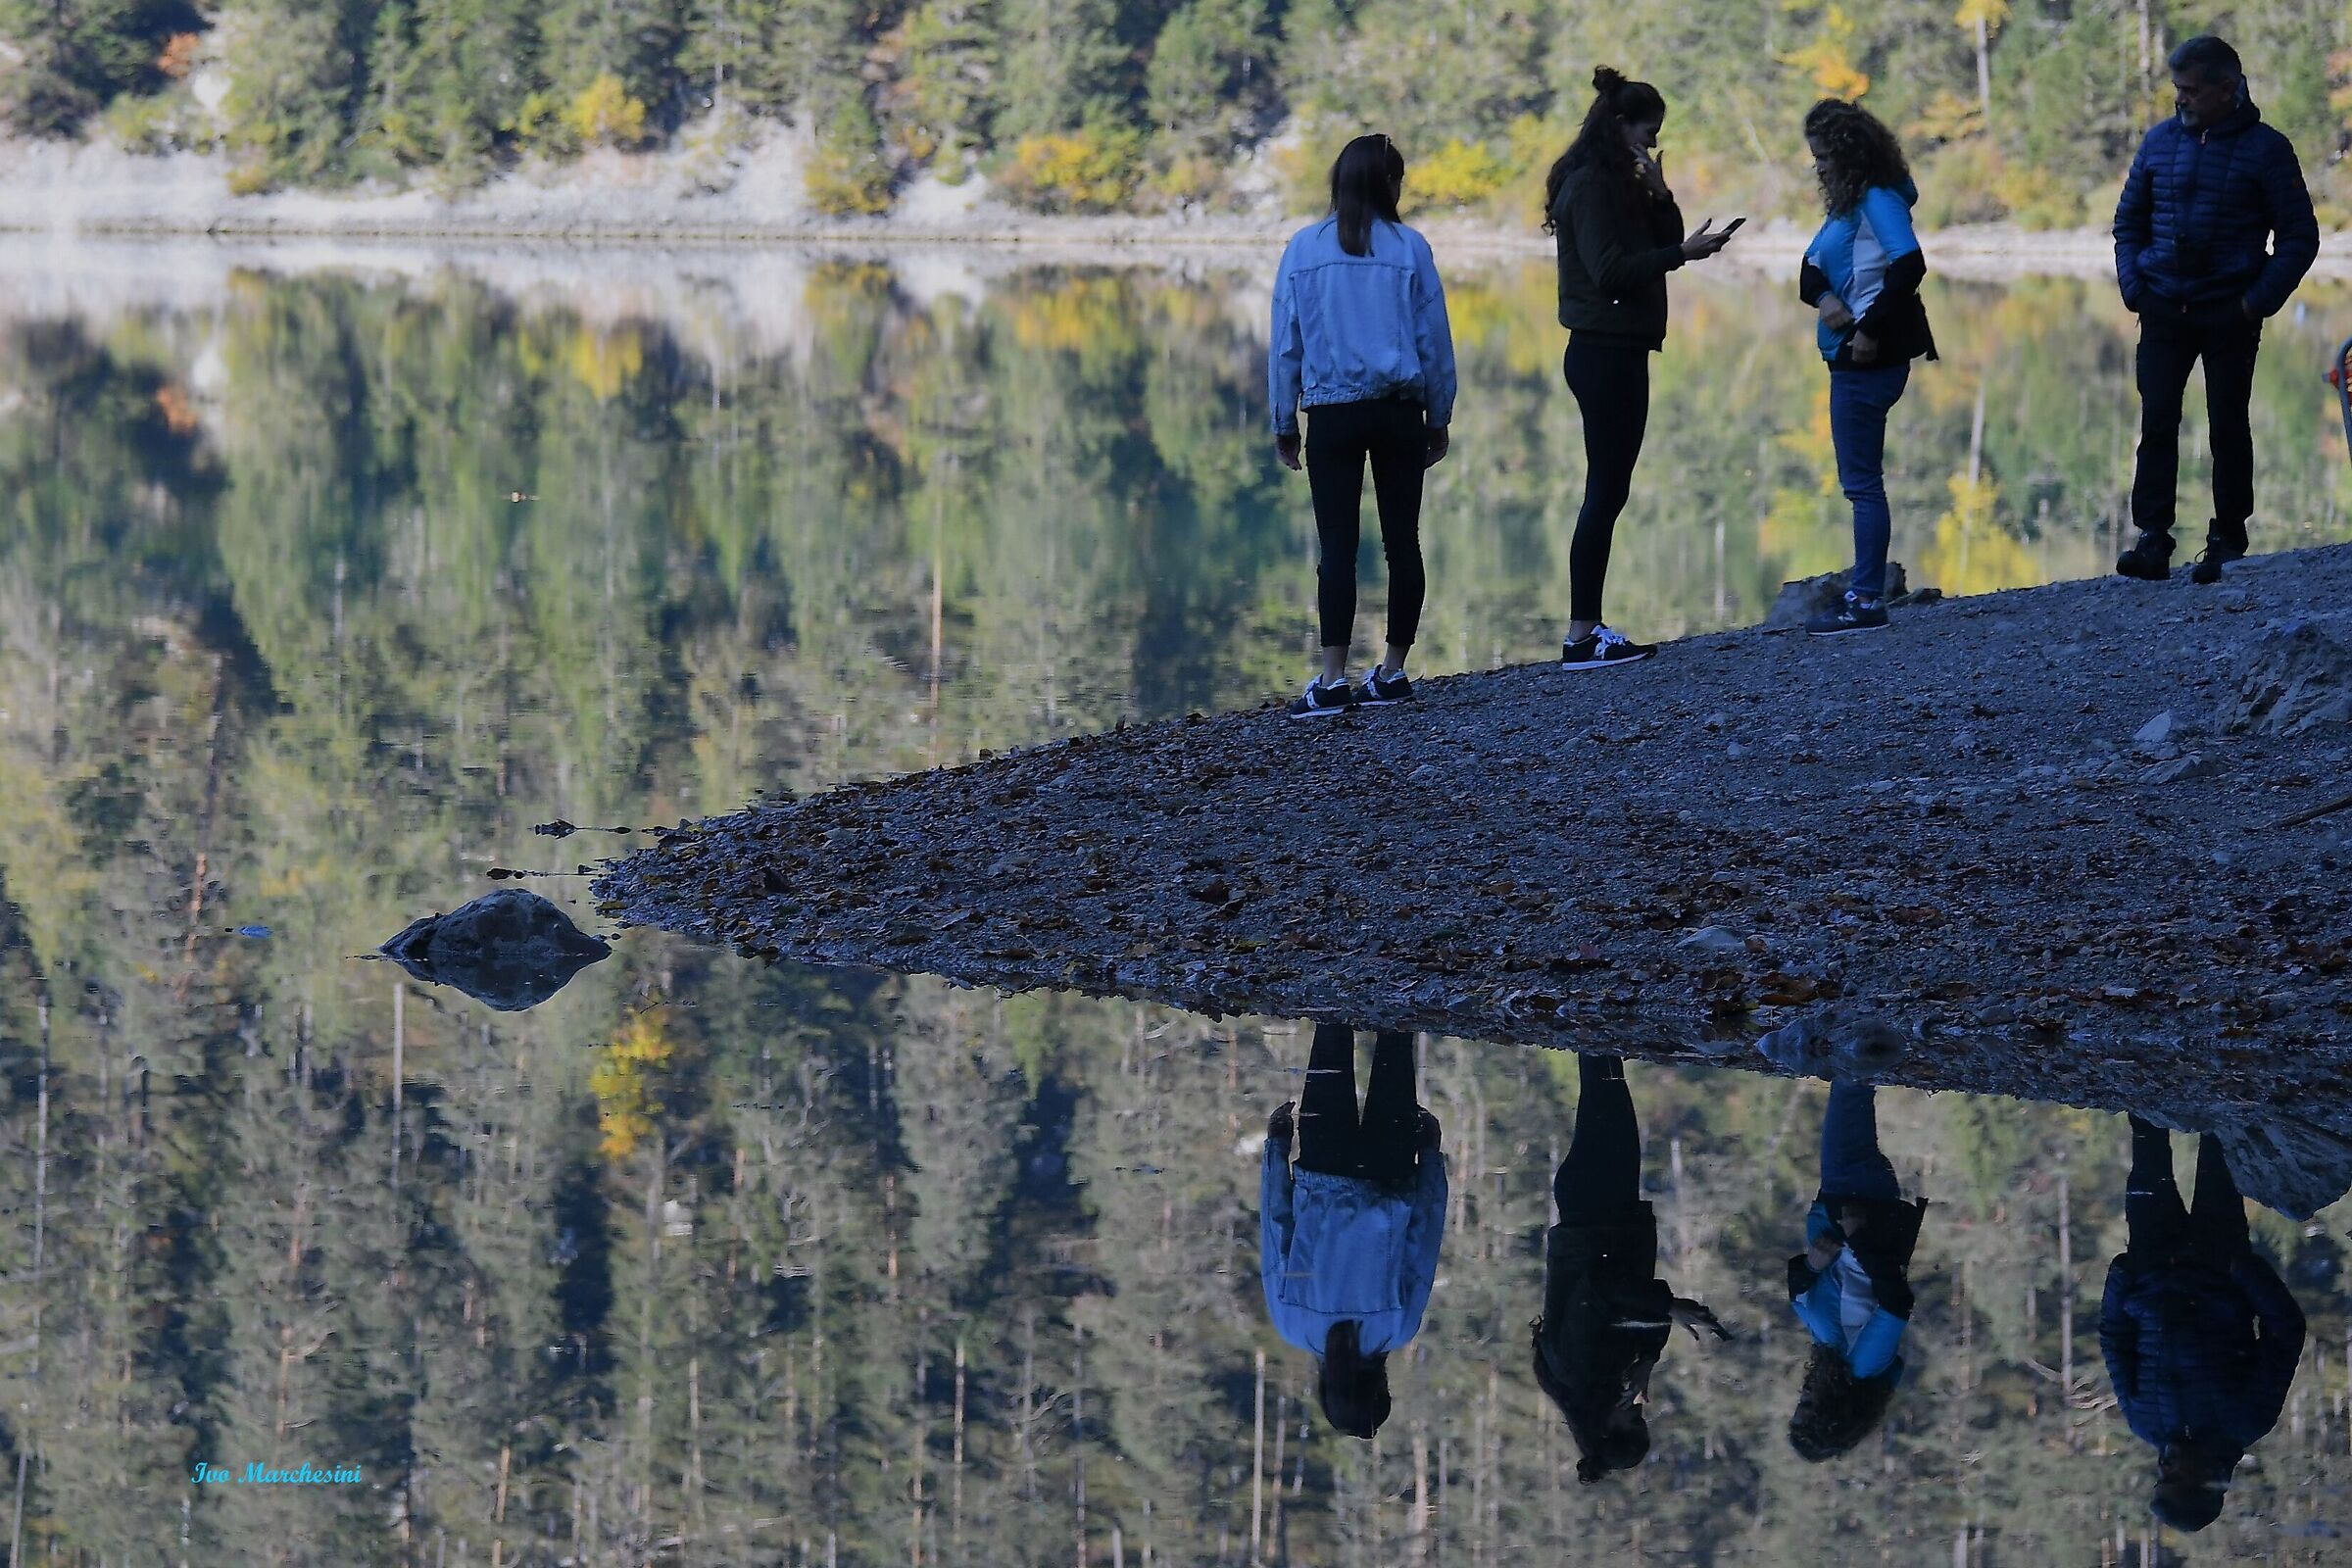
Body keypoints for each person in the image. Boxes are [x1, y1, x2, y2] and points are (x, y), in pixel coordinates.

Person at [1545, 68, 1738, 670]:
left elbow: (1663, 239)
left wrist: (1660, 192)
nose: (1651, 145)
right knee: (1604, 490)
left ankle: (1586, 630)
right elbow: (1610, 272)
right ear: (1619, 125)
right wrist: (1681, 255)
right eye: (1647, 134)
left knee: (1612, 488)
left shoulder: (1620, 183)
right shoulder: (1589, 187)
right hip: (1601, 351)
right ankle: (1582, 635)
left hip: (1623, 349)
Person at [2113, 35, 2319, 585]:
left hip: (2231, 312)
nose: (2180, 98)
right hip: (2162, 305)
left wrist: (2254, 303)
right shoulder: (2158, 142)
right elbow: (2127, 224)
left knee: (2228, 423)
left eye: (2190, 90)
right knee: (2157, 420)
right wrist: (2134, 289)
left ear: (2227, 89)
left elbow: (2300, 237)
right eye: (2176, 88)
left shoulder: (2268, 149)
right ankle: (2152, 539)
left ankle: (2228, 538)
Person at [1268, 134, 1457, 717]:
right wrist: (1439, 416)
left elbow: (1285, 344)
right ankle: (1392, 672)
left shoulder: (1303, 248)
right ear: (1388, 185)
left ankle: (1331, 681)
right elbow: (1434, 341)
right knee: (1403, 543)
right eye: (1399, 180)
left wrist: (1283, 420)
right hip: (1398, 412)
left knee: (1338, 548)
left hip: (1332, 415)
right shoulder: (1410, 247)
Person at [2101, 1116, 2305, 1533]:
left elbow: (2115, 1341)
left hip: (2150, 1263)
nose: (2166, 1467)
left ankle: (2145, 1072)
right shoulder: (2248, 1420)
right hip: (2217, 1256)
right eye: (2177, 1477)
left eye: (2162, 1477)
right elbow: (2285, 1332)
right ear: (2210, 1483)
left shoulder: (2144, 1423)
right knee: (2222, 1133)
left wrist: (2122, 1278)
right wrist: (2241, 1269)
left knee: (2147, 1138)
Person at [1531, 1054, 1729, 1483]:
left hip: (1593, 1210)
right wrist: (1649, 1358)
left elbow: (1600, 1288)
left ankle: (1589, 1017)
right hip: (1608, 1214)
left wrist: (1669, 1308)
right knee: (1607, 1083)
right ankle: (1593, 1022)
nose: (1638, 1408)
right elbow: (1641, 1306)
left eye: (1632, 1419)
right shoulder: (1607, 1376)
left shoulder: (1576, 1368)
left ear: (1605, 1426)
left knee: (1605, 1081)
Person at [1260, 1023, 1448, 1438]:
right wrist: (1276, 1148)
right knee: (1331, 1029)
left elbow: (1424, 1239)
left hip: (1390, 1170)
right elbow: (1276, 1232)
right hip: (1322, 1161)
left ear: (1379, 1386)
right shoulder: (1291, 1325)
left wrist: (1431, 1158)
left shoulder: (1398, 1328)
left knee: (1396, 1034)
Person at [1796, 100, 1936, 637]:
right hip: (1847, 357)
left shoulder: (1877, 199)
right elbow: (1808, 269)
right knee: (1860, 482)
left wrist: (1869, 329)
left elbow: (1910, 263)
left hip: (1867, 360)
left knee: (1862, 485)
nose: (1818, 167)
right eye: (1815, 157)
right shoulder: (1848, 205)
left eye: (1824, 156)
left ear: (1850, 154)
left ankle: (1865, 600)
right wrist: (1826, 298)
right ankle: (1865, 592)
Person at [1785, 1082, 1927, 1461]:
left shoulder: (1832, 1356)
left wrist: (1810, 1267)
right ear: (1834, 1409)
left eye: (1799, 1405)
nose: (1804, 1395)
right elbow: (1896, 1304)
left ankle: (1876, 1047)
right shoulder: (1862, 1364)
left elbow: (1800, 1295)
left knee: (1851, 1086)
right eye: (1810, 1406)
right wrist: (1858, 1237)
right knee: (1850, 1083)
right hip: (1860, 1201)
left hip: (1838, 1198)